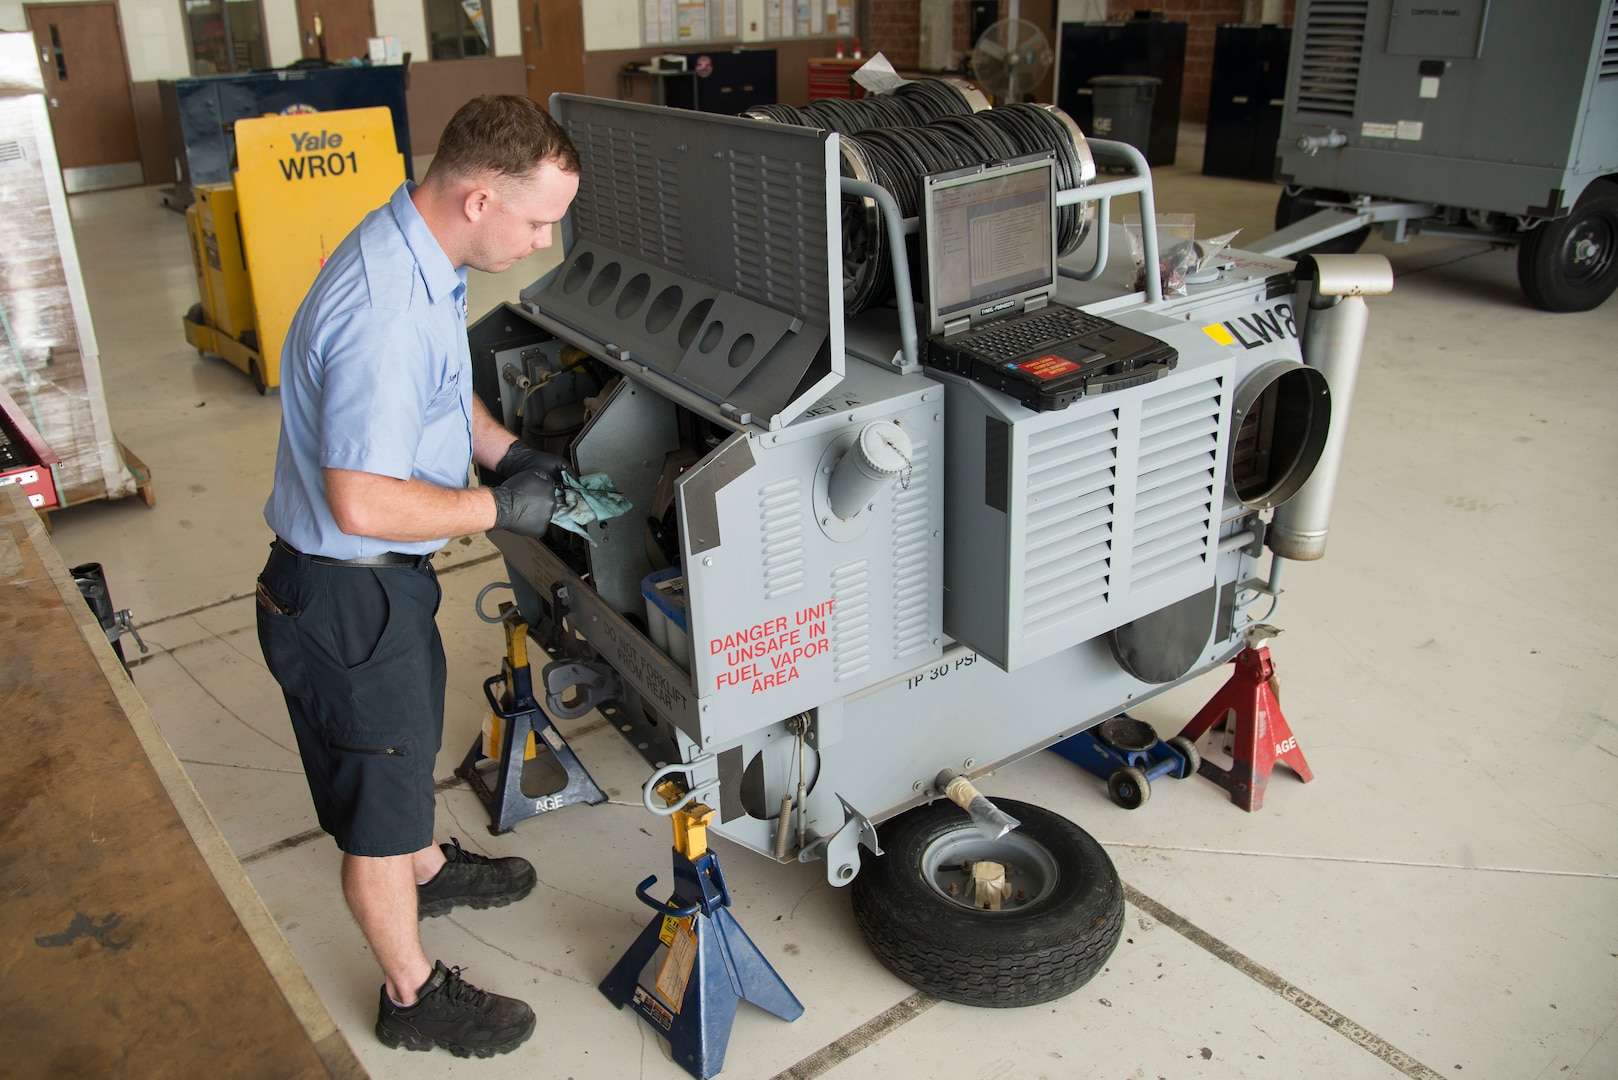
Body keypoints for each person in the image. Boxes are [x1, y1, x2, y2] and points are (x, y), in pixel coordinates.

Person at [255, 94, 580, 1059]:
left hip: (380, 590)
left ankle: (428, 864)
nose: (546, 239)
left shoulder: (421, 251)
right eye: (539, 221)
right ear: (480, 199)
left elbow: (446, 392)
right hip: (349, 597)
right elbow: (360, 500)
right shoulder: (386, 308)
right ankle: (412, 995)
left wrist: (508, 453)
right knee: (377, 817)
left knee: (398, 764)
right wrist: (498, 509)